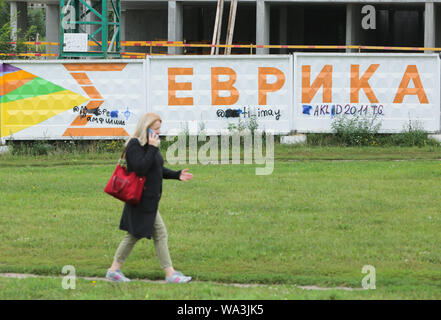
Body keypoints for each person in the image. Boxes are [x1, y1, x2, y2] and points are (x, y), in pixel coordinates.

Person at [106, 112, 194, 283]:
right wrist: (152, 148)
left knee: (136, 234)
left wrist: (177, 175)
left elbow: (157, 169)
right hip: (140, 199)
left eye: (159, 128)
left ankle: (114, 270)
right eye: (155, 129)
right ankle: (170, 274)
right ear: (145, 129)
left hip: (150, 199)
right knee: (155, 233)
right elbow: (140, 168)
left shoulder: (151, 145)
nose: (158, 132)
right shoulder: (134, 145)